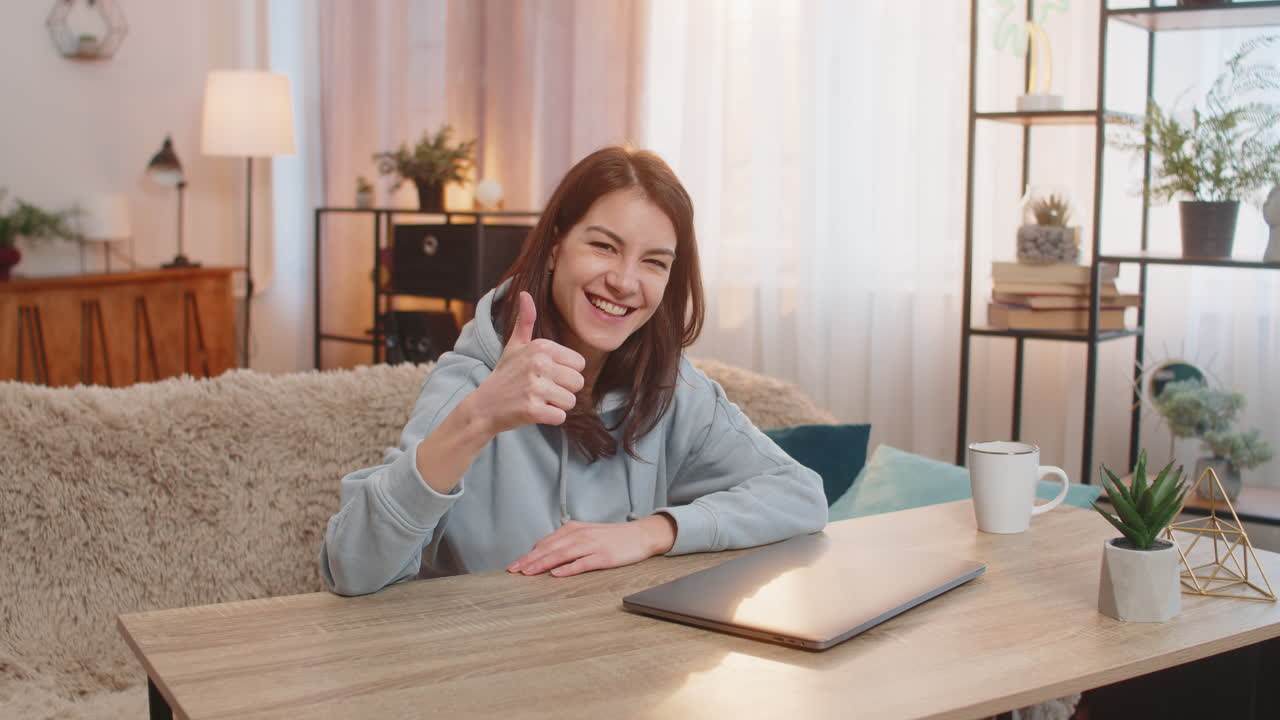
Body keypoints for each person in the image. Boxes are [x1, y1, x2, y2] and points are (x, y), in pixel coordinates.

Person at [319, 146, 827, 596]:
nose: (625, 281)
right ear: (557, 243)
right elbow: (350, 570)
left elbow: (800, 495)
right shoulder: (471, 382)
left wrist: (651, 532)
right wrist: (477, 420)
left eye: (654, 262)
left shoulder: (674, 389)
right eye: (604, 246)